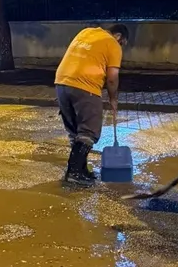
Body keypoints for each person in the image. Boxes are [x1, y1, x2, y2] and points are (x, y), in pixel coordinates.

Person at [55, 22, 129, 186]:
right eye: (122, 43)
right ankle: (74, 173)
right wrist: (113, 99)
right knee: (89, 132)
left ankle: (81, 171)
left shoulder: (86, 32)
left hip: (61, 83)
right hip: (84, 86)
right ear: (118, 36)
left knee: (76, 133)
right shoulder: (112, 43)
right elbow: (112, 78)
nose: (121, 46)